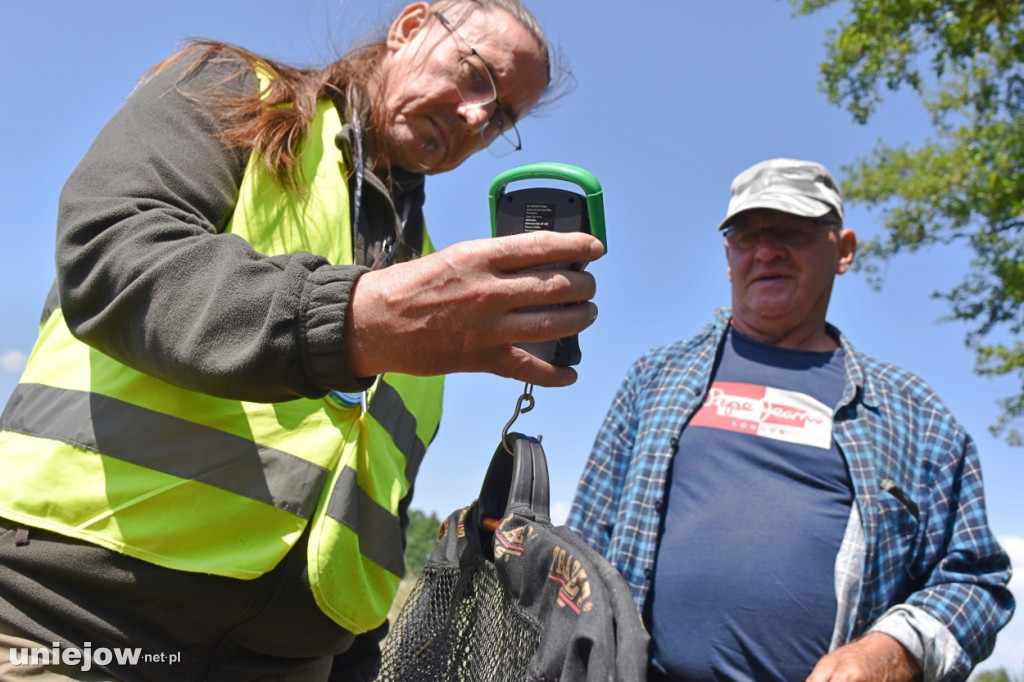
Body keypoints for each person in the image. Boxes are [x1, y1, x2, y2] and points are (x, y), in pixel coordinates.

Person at [0, 1, 603, 680]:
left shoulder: (434, 284)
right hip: (72, 618)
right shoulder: (234, 92)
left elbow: (370, 515)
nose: (474, 117)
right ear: (408, 27)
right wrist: (357, 320)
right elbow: (108, 258)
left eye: (500, 119)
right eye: (474, 75)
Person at [567, 158, 1014, 682]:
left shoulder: (919, 417)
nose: (766, 250)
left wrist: (894, 652)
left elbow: (976, 579)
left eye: (792, 231)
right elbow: (582, 552)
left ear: (842, 249)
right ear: (727, 256)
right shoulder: (654, 380)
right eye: (746, 234)